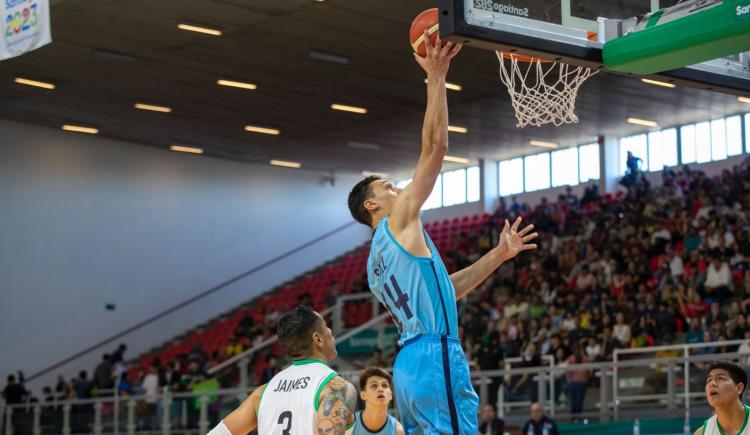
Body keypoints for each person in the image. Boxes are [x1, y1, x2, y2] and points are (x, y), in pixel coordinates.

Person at [346, 30, 537, 435]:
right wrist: (437, 75)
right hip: (435, 355)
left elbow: (444, 290)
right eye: (388, 188)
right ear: (372, 206)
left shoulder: (375, 263)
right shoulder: (398, 223)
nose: (398, 190)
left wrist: (499, 255)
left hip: (410, 364)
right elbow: (436, 146)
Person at [207, 305, 356, 435]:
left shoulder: (263, 393)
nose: (330, 330)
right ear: (318, 338)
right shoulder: (336, 389)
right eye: (325, 325)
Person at [694, 361, 750, 434]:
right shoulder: (701, 433)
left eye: (720, 378)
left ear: (739, 388)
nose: (712, 384)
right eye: (709, 380)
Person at [349, 367, 403, 435]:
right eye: (374, 385)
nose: (380, 389)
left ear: (391, 395)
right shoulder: (349, 425)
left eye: (385, 385)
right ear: (363, 395)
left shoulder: (399, 431)